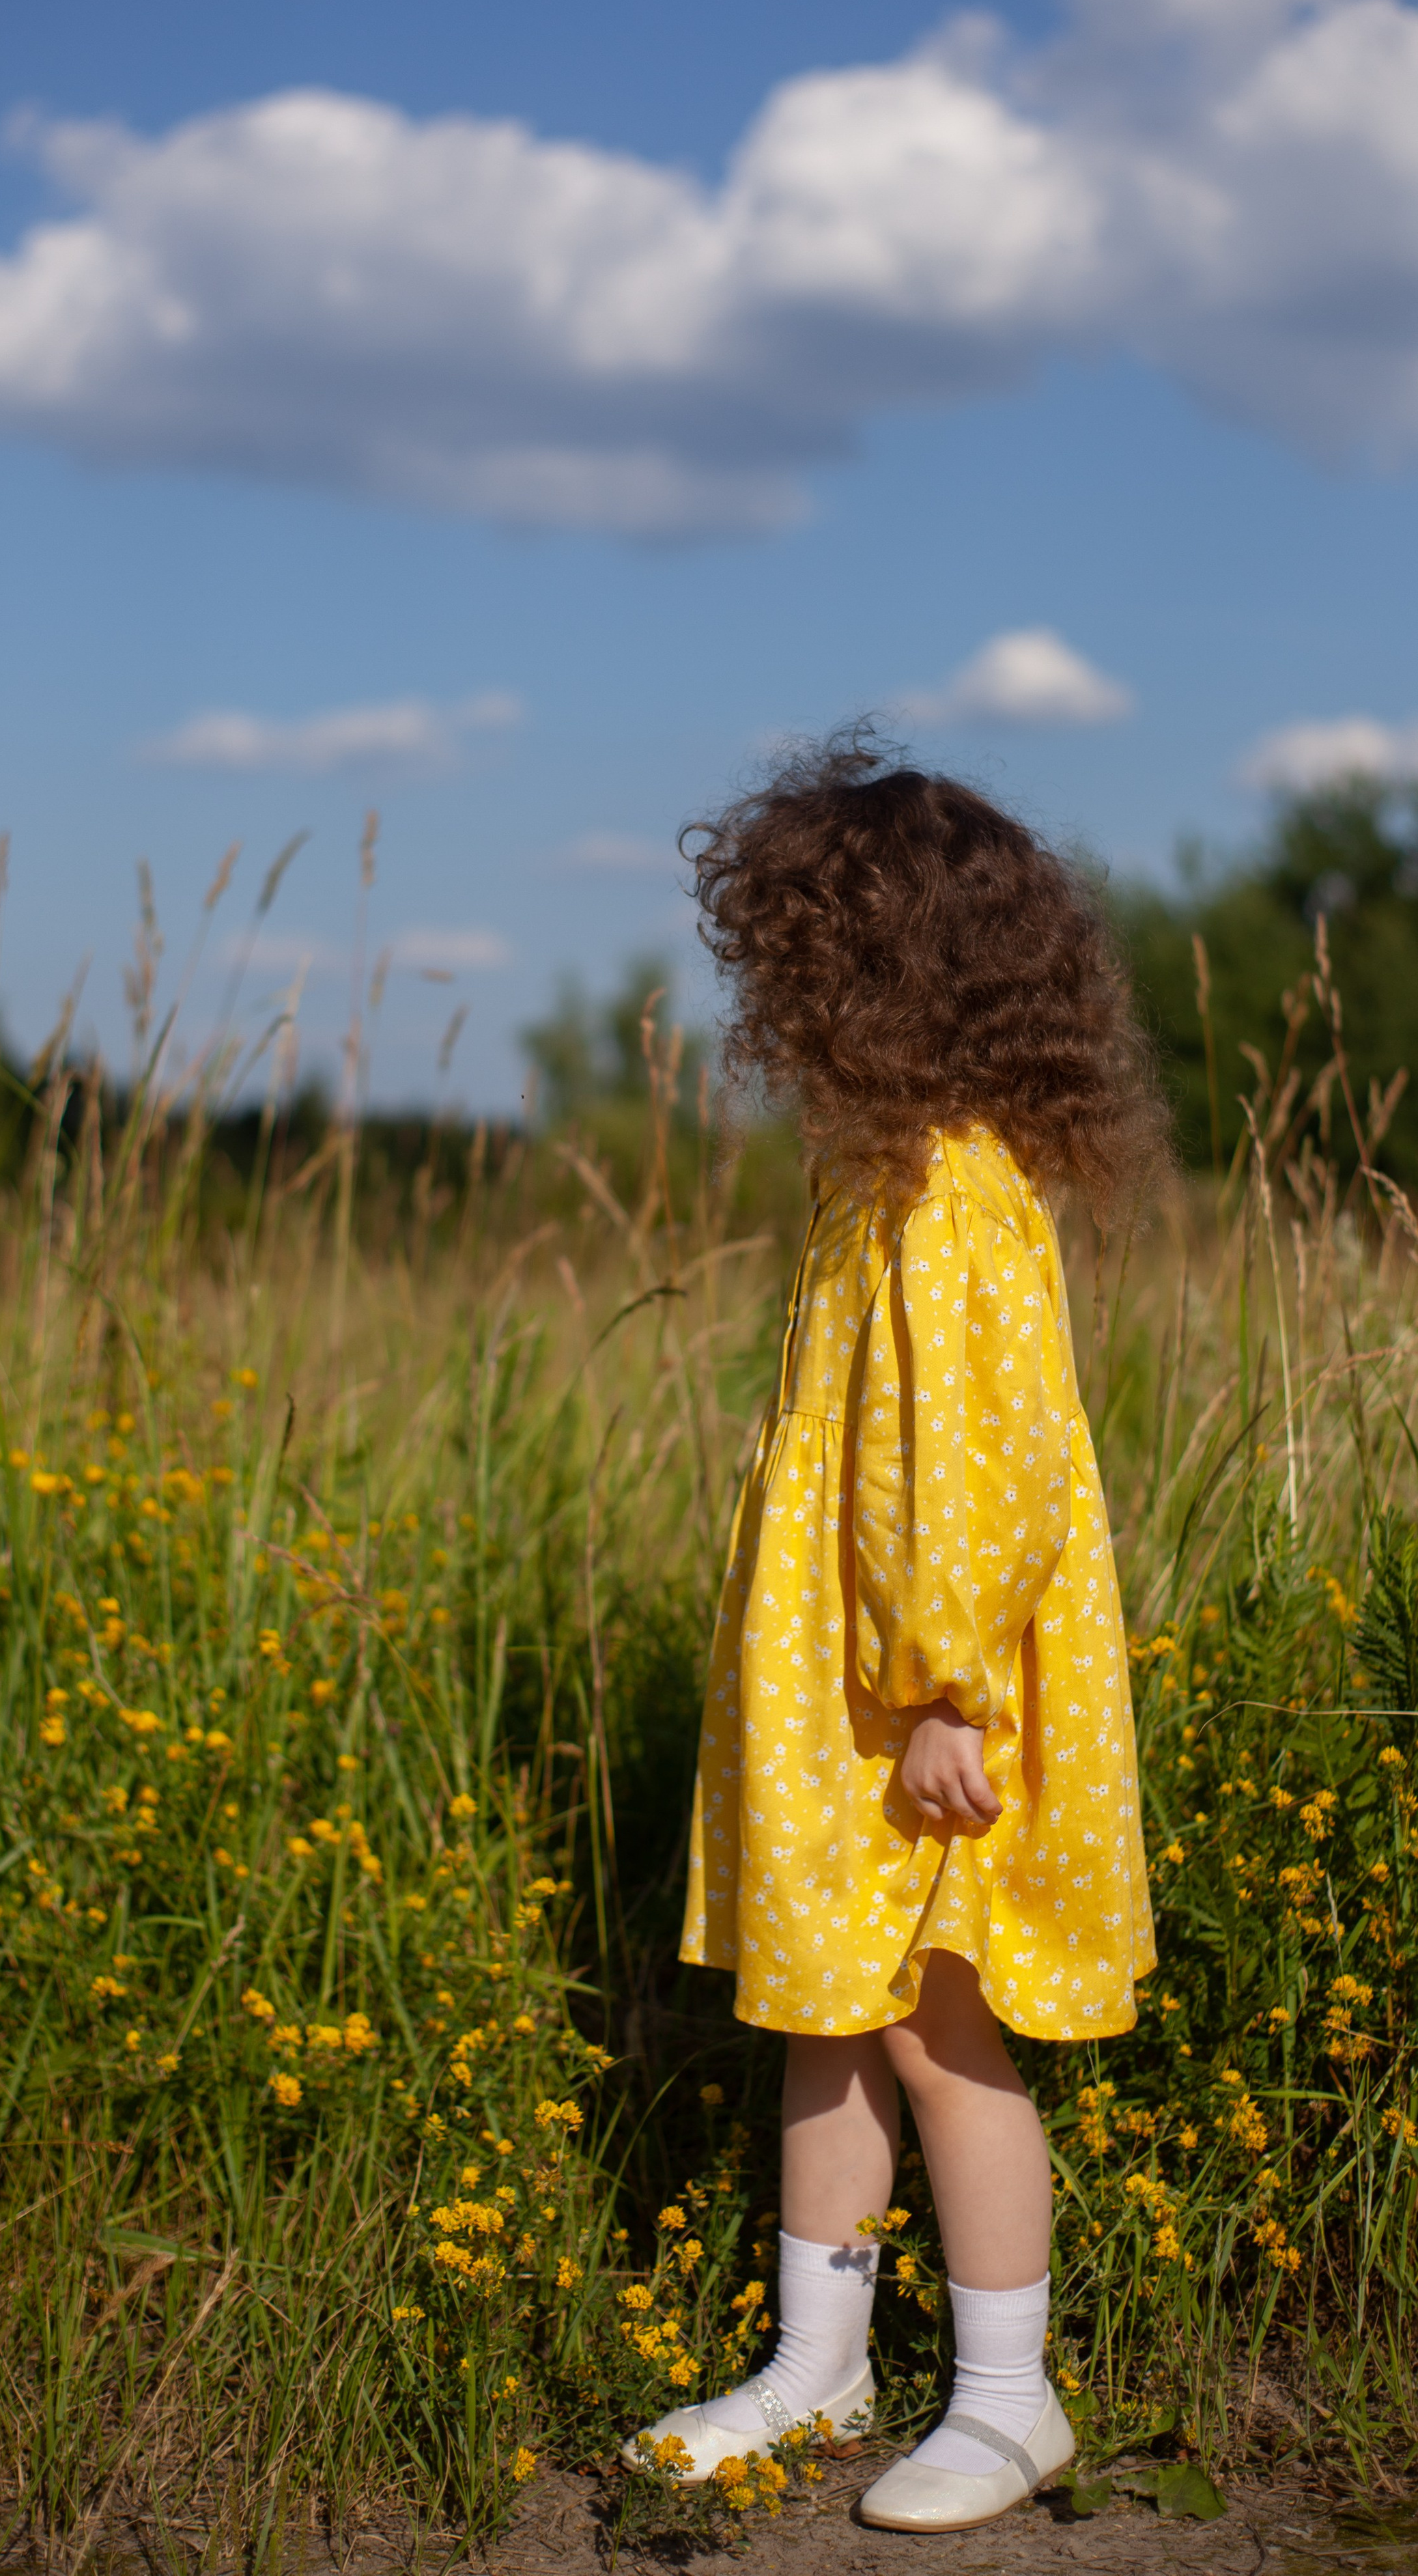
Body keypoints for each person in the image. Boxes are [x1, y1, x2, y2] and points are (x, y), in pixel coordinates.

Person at [624, 738, 1165, 2536]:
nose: (779, 1002)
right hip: (845, 1688)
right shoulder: (881, 1178)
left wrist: (944, 1692)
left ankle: (1012, 2401)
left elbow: (981, 1479)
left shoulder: (951, 1198)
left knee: (941, 2023)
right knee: (828, 2010)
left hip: (931, 1696)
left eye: (802, 962)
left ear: (883, 981)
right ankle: (821, 2362)